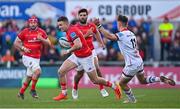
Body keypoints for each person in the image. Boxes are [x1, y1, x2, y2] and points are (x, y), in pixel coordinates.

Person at [93, 14, 176, 103]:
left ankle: (132, 100)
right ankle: (160, 79)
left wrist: (99, 26)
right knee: (142, 80)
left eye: (117, 23)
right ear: (127, 24)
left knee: (122, 83)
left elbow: (109, 36)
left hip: (131, 64)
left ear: (119, 24)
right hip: (139, 60)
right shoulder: (131, 33)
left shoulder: (122, 34)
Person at [53, 16, 121, 101]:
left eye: (61, 25)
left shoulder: (72, 31)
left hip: (86, 57)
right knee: (61, 71)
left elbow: (79, 45)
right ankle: (64, 93)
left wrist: (67, 51)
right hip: (77, 56)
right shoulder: (69, 30)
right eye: (58, 25)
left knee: (95, 80)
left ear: (66, 24)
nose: (59, 27)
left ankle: (114, 86)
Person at [72, 8, 108, 99]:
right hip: (80, 52)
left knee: (97, 68)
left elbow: (97, 34)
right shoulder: (75, 28)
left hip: (91, 51)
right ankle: (75, 87)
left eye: (84, 15)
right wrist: (86, 35)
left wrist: (101, 43)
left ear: (87, 16)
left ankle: (102, 89)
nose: (83, 17)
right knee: (79, 74)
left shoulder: (91, 26)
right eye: (81, 15)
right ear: (78, 16)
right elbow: (75, 41)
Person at [14, 16, 51, 99]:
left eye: (34, 22)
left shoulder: (41, 32)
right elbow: (16, 43)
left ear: (37, 23)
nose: (33, 24)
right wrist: (23, 48)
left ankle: (21, 92)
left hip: (36, 58)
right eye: (31, 22)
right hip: (27, 57)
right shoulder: (25, 32)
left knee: (29, 77)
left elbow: (49, 44)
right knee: (38, 72)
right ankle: (33, 90)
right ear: (29, 23)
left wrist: (41, 39)